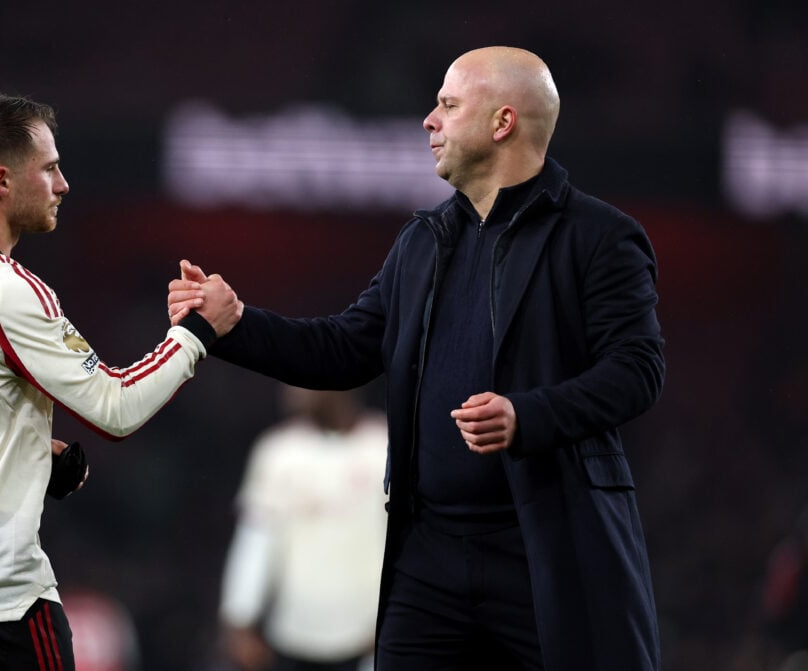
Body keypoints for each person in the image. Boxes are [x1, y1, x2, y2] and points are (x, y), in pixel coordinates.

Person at [169, 46, 666, 670]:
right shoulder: (423, 243)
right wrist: (234, 325)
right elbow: (345, 349)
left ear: (502, 122)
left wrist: (528, 415)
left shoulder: (599, 239)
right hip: (429, 556)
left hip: (546, 546)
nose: (429, 120)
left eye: (448, 105)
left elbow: (638, 370)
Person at [0, 93, 241, 671]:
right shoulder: (9, 288)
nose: (63, 185)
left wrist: (20, 455)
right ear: (3, 181)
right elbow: (115, 406)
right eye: (51, 168)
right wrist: (197, 335)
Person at [217, 386, 388, 671]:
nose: (290, 388)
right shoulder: (278, 452)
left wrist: (400, 617)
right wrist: (239, 619)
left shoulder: (384, 444)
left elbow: (411, 543)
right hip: (293, 639)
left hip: (369, 638)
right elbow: (255, 541)